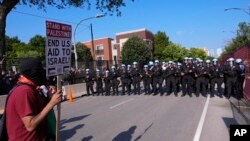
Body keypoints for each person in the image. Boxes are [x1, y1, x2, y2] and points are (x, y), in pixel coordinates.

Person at [5, 58, 62, 141]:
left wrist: (50, 98)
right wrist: (51, 103)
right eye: (39, 70)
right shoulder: (24, 91)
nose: (43, 73)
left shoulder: (31, 88)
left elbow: (38, 111)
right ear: (32, 72)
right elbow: (30, 125)